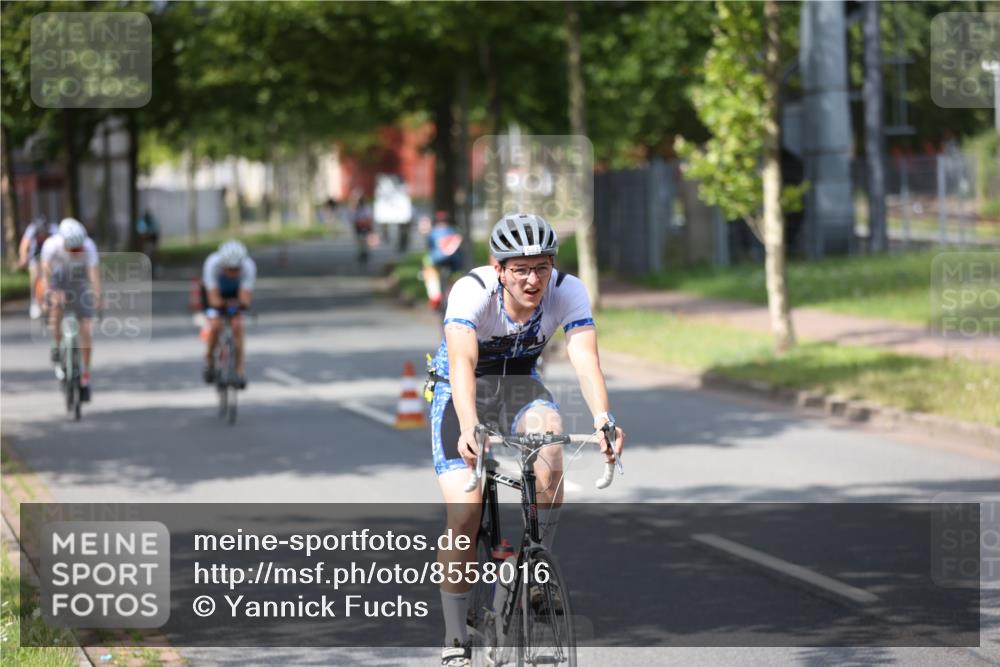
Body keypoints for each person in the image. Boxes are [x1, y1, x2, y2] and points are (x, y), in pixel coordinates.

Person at [427, 213, 625, 666]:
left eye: (541, 267)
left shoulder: (567, 289)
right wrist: (469, 424)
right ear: (499, 269)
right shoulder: (471, 291)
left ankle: (534, 568)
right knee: (465, 512)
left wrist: (602, 417)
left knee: (551, 451)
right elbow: (461, 361)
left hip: (519, 385)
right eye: (521, 269)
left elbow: (584, 355)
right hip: (461, 389)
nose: (533, 279)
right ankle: (455, 637)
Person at [40, 218, 102, 401]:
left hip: (79, 282)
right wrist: (50, 292)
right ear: (64, 242)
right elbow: (45, 271)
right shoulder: (52, 245)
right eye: (73, 249)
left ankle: (85, 374)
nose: (77, 252)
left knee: (86, 328)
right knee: (56, 304)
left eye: (79, 248)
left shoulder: (89, 246)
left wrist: (98, 296)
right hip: (58, 279)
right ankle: (56, 342)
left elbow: (93, 274)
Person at [201, 240, 256, 388]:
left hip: (236, 292)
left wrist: (238, 307)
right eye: (229, 269)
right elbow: (213, 299)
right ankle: (209, 361)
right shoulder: (212, 264)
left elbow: (245, 299)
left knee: (238, 326)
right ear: (222, 264)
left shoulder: (249, 266)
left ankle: (239, 371)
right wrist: (222, 306)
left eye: (236, 269)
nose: (232, 272)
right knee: (215, 325)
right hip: (216, 292)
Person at [422, 211, 464, 310]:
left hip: (436, 260)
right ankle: (454, 293)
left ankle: (434, 295)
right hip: (454, 262)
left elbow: (430, 247)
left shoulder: (432, 233)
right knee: (455, 276)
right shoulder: (454, 231)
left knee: (427, 267)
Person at [18, 216, 58, 319]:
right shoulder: (31, 229)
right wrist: (23, 257)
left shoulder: (54, 230)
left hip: (50, 254)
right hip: (35, 254)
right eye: (39, 235)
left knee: (52, 274)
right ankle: (34, 302)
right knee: (35, 275)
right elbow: (24, 245)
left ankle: (52, 296)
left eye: (43, 234)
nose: (41, 236)